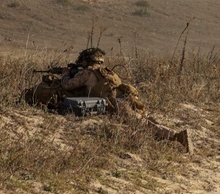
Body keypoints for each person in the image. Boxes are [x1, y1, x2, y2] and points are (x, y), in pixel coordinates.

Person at [59, 48, 192, 152]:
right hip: (128, 99)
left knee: (141, 124)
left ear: (86, 61)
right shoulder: (108, 72)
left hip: (119, 103)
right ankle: (166, 134)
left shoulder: (87, 73)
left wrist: (65, 73)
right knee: (145, 120)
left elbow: (67, 85)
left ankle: (177, 136)